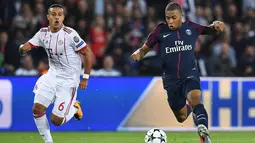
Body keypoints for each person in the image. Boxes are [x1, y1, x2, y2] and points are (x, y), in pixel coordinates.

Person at [130, 2, 225, 143]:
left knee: (195, 100)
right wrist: (138, 53)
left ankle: (203, 131)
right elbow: (145, 48)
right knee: (181, 116)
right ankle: (195, 114)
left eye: (173, 17)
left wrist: (216, 26)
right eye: (167, 18)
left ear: (181, 16)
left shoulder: (191, 27)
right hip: (171, 80)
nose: (170, 21)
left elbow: (209, 30)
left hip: (190, 74)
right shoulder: (160, 31)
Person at [19, 4, 93, 143]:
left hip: (68, 81)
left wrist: (85, 78)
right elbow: (29, 44)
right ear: (48, 17)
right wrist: (23, 49)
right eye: (54, 14)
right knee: (37, 109)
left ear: (63, 17)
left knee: (56, 121)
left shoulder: (70, 35)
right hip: (52, 76)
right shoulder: (42, 33)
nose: (57, 17)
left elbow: (88, 53)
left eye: (60, 14)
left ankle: (75, 107)